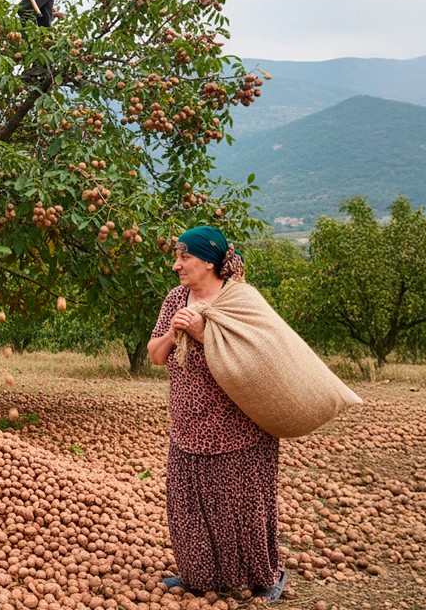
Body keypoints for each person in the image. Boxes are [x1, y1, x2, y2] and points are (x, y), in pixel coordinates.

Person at [146, 226, 289, 602]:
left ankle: (266, 578)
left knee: (243, 510)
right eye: (177, 256)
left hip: (238, 429)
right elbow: (156, 355)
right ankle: (199, 577)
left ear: (208, 260)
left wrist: (202, 333)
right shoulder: (176, 298)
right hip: (188, 426)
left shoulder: (241, 300)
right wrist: (175, 331)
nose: (176, 264)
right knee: (188, 507)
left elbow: (259, 360)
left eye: (184, 257)